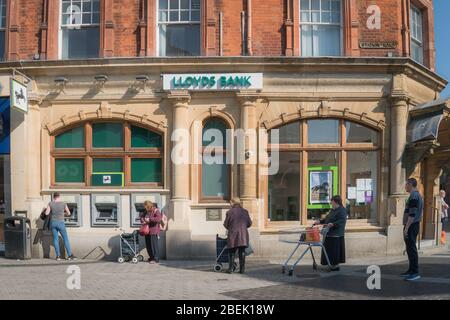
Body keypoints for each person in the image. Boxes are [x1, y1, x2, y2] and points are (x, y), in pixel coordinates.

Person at [314, 195, 347, 271]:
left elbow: (342, 221)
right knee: (328, 250)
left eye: (332, 202)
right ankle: (330, 264)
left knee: (334, 251)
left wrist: (333, 224)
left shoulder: (342, 210)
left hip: (336, 235)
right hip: (328, 234)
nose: (331, 204)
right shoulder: (333, 210)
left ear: (336, 202)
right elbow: (327, 219)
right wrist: (319, 221)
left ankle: (335, 266)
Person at [223, 197, 252, 274]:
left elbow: (226, 224)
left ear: (233, 202)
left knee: (231, 252)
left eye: (230, 202)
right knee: (242, 252)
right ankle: (242, 270)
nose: (230, 204)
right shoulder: (245, 211)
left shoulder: (229, 212)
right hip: (243, 235)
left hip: (233, 234)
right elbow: (249, 223)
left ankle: (231, 269)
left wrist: (231, 227)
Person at [402, 178, 423, 281]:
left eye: (406, 184)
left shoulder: (414, 196)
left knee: (412, 249)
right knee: (410, 249)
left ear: (410, 184)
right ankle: (411, 270)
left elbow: (412, 214)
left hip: (412, 225)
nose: (405, 186)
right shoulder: (414, 195)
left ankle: (415, 272)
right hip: (412, 225)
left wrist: (406, 228)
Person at [44, 193, 76, 261]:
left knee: (55, 239)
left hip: (53, 223)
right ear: (59, 196)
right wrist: (62, 213)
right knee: (65, 239)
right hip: (61, 223)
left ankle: (58, 256)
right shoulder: (63, 203)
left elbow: (46, 213)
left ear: (54, 197)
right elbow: (69, 213)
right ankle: (70, 255)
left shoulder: (50, 203)